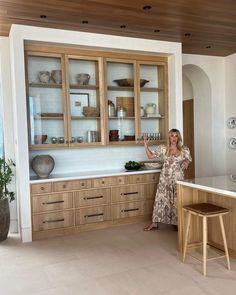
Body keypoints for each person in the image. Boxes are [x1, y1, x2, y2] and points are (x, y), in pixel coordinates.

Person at [144, 128, 192, 231]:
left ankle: (177, 223)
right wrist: (146, 145)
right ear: (169, 137)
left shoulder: (184, 149)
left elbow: (188, 160)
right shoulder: (163, 148)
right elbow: (151, 156)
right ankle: (154, 223)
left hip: (177, 179)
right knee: (160, 200)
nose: (174, 138)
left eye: (176, 136)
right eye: (172, 136)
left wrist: (186, 163)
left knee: (177, 200)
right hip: (164, 179)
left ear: (178, 137)